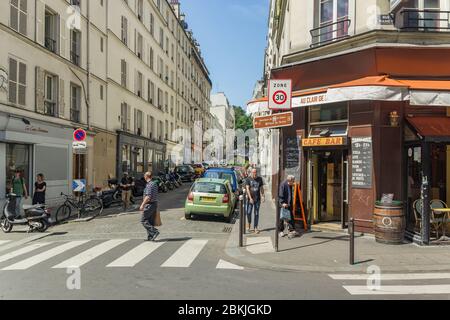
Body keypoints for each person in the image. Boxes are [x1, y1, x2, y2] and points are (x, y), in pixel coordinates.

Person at [140, 172, 160, 241]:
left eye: (144, 175)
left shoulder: (149, 185)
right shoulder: (154, 183)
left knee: (143, 220)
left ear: (146, 176)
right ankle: (151, 236)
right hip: (154, 204)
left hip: (149, 204)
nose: (144, 177)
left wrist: (142, 204)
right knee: (150, 221)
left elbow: (148, 196)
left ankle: (154, 232)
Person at [245, 168, 265, 234]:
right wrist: (250, 198)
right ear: (251, 172)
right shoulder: (248, 179)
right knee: (248, 212)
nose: (254, 173)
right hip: (250, 199)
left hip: (257, 199)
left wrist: (263, 196)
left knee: (256, 213)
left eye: (255, 172)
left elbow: (261, 188)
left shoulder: (260, 179)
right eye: (253, 172)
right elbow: (247, 189)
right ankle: (249, 223)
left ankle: (255, 227)